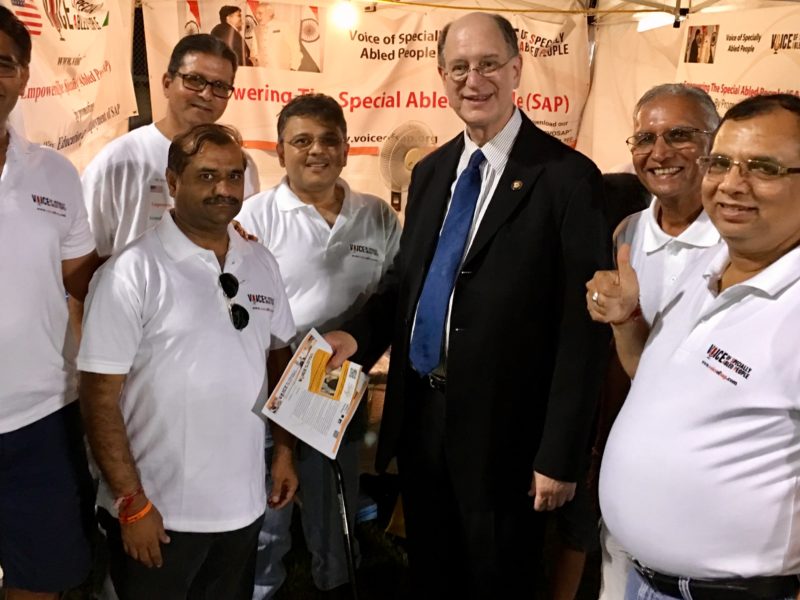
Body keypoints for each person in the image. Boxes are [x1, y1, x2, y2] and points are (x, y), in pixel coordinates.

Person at [324, 12, 610, 598]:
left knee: (500, 580)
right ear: (441, 75)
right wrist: (355, 337)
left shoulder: (567, 179)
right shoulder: (429, 172)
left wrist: (559, 454)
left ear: (515, 68)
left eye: (486, 65)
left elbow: (581, 334)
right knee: (431, 573)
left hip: (511, 436)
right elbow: (407, 284)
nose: (472, 80)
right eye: (458, 67)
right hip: (425, 422)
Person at [588, 93, 800, 600]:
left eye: (763, 168)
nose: (731, 184)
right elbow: (650, 375)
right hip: (644, 581)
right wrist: (627, 321)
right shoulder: (708, 272)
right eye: (722, 163)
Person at [77, 124, 298, 599]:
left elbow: (279, 355)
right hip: (158, 514)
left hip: (242, 510)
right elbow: (98, 398)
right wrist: (131, 503)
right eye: (207, 176)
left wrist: (284, 449)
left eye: (234, 176)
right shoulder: (131, 272)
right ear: (172, 184)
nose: (224, 189)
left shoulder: (260, 261)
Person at [237, 93, 401, 598]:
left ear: (347, 149)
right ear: (281, 152)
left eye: (329, 140)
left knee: (336, 499)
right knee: (271, 504)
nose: (316, 151)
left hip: (339, 384)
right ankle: (263, 585)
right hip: (268, 384)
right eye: (301, 141)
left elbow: (395, 293)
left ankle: (334, 582)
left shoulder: (377, 217)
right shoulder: (254, 217)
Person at [596, 83, 722, 600]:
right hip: (630, 474)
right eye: (644, 137)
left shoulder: (742, 242)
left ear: (716, 143)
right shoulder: (627, 233)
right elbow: (631, 367)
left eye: (680, 135)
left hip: (707, 488)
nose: (660, 152)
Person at [0, 7, 100, 598]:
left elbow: (82, 278)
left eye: (4, 63)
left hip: (40, 417)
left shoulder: (56, 174)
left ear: (23, 76)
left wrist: (201, 246)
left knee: (42, 580)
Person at [82, 34, 259, 258]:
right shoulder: (118, 160)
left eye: (220, 86)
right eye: (195, 80)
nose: (206, 94)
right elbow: (82, 255)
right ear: (167, 83)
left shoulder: (242, 167)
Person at [250, 2, 302, 71]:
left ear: (270, 13)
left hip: (282, 72)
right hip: (262, 74)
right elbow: (254, 52)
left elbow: (295, 49)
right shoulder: (255, 29)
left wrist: (293, 68)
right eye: (256, 13)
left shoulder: (284, 26)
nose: (257, 16)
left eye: (260, 13)